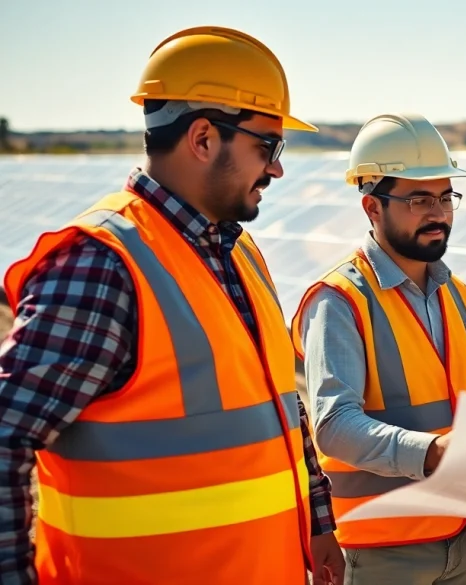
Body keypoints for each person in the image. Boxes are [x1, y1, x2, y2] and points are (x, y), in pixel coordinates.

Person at [0, 26, 345, 585]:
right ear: (204, 138)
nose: (278, 169)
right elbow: (5, 437)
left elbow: (282, 404)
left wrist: (318, 522)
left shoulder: (239, 252)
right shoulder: (102, 264)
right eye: (268, 146)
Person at [290, 112, 466, 585]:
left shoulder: (458, 295)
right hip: (384, 550)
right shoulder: (339, 300)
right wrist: (430, 452)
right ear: (372, 207)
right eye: (418, 198)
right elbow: (335, 426)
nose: (438, 213)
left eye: (445, 197)